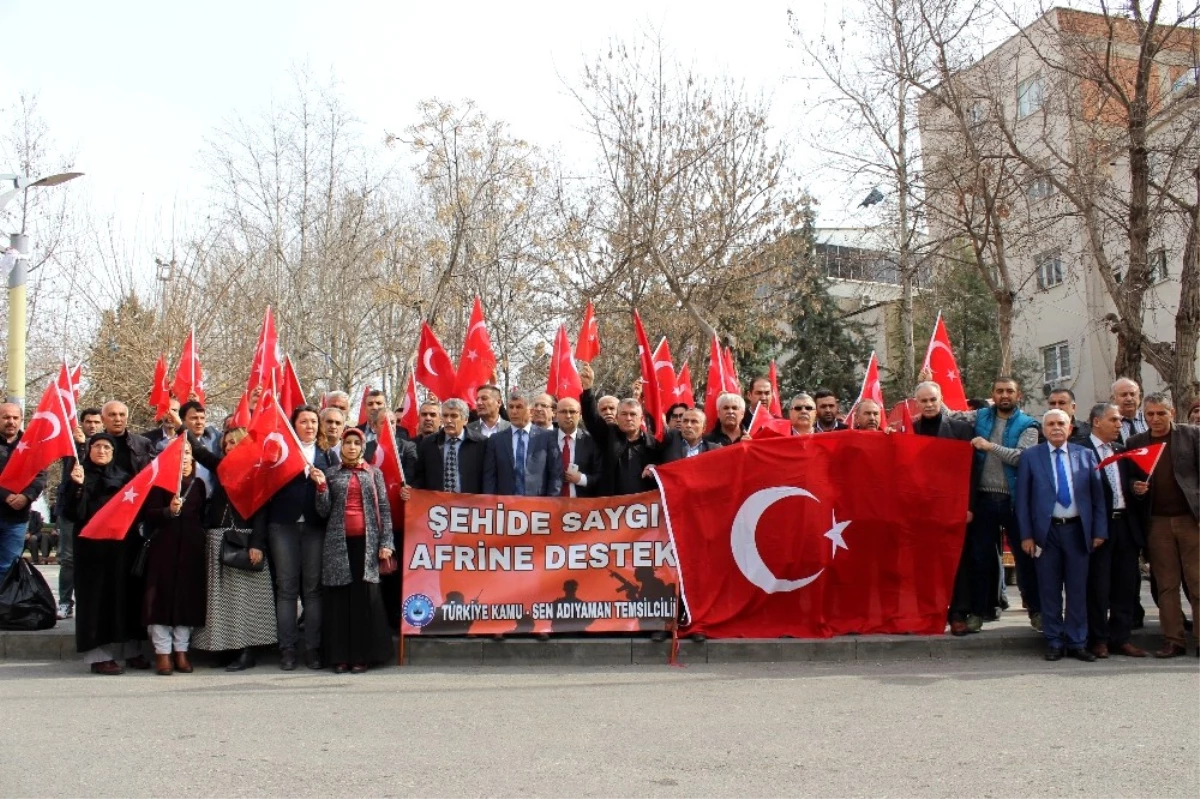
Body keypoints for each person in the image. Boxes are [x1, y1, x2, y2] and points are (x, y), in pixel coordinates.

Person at [1015, 409, 1106, 662]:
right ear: (1043, 430)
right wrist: (1026, 536)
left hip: (1078, 531)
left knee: (1078, 589)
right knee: (1049, 589)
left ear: (1070, 427)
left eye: (1061, 423)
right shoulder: (1031, 457)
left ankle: (1077, 641)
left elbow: (1098, 499)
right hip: (1046, 533)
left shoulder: (1085, 455)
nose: (1056, 428)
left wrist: (1099, 531)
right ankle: (1054, 640)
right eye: (1051, 424)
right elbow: (1022, 501)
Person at [956, 376, 1041, 632]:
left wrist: (990, 446)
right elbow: (948, 414)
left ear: (1019, 395)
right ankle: (979, 613)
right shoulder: (980, 416)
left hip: (1014, 501)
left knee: (1025, 559)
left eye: (1010, 391)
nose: (1005, 395)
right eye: (1000, 391)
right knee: (981, 559)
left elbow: (1023, 458)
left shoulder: (1029, 424)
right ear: (993, 394)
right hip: (983, 500)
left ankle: (1037, 611)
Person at [189, 427, 277, 671]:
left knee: (244, 601)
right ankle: (226, 649)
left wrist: (257, 544)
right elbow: (199, 452)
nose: (228, 447)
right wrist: (179, 425)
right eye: (226, 443)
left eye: (234, 443)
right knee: (222, 601)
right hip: (218, 537)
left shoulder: (255, 473)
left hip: (244, 539)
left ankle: (247, 651)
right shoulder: (222, 468)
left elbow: (261, 511)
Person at [253, 405, 330, 671]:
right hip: (282, 525)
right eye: (304, 421)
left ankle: (312, 648)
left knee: (312, 590)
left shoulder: (327, 456)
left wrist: (322, 484)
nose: (309, 426)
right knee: (286, 589)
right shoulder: (280, 453)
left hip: (314, 527)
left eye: (313, 422)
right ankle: (287, 649)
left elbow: (333, 497)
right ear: (293, 425)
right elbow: (264, 493)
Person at [64, 433, 148, 675]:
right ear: (89, 450)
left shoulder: (124, 478)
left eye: (107, 447)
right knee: (96, 601)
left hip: (122, 549)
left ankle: (131, 651)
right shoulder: (79, 477)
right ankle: (98, 656)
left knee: (125, 597)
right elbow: (72, 514)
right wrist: (76, 488)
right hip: (91, 551)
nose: (102, 451)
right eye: (97, 446)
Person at [316, 428, 395, 672]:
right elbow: (323, 511)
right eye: (347, 443)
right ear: (341, 446)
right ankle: (339, 657)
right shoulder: (331, 473)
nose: (351, 447)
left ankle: (362, 657)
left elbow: (384, 508)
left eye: (356, 443)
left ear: (362, 447)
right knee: (339, 601)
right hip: (338, 544)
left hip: (368, 545)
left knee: (364, 600)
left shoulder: (374, 474)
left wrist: (386, 543)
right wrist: (320, 489)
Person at [1127, 393, 1200, 658]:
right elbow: (1129, 480)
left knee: (1197, 582)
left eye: (1161, 413)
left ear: (1172, 412)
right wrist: (1136, 488)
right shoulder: (1135, 443)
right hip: (1156, 523)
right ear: (1144, 416)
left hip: (1190, 520)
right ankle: (1174, 640)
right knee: (1166, 585)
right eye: (1150, 414)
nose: (1155, 419)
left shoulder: (1192, 436)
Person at [911, 381, 977, 635]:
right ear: (916, 403)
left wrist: (969, 506)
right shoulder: (911, 429)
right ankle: (927, 612)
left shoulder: (961, 429)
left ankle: (958, 613)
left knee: (958, 561)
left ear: (940, 400)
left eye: (933, 400)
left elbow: (972, 470)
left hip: (953, 505)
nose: (929, 405)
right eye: (924, 401)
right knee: (925, 563)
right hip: (921, 508)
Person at [1083, 403, 1146, 658]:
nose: (1120, 424)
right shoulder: (1081, 450)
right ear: (1097, 422)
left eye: (1120, 420)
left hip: (1125, 527)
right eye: (1114, 420)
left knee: (1125, 584)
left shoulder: (1121, 450)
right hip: (1100, 527)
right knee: (1098, 585)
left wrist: (1135, 487)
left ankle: (1121, 637)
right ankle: (1099, 638)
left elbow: (1126, 482)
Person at [140, 441, 207, 676]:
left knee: (185, 601)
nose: (185, 458)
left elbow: (202, 515)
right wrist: (168, 511)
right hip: (163, 549)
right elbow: (147, 514)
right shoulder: (159, 484)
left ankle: (181, 651)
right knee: (160, 600)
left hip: (191, 550)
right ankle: (163, 653)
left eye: (188, 454)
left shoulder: (198, 485)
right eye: (180, 454)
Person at [579, 363, 659, 496]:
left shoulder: (652, 444)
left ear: (641, 418)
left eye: (633, 414)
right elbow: (592, 419)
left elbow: (663, 466)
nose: (628, 418)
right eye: (624, 414)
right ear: (617, 417)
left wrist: (654, 467)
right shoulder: (609, 435)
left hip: (642, 510)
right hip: (612, 507)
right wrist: (588, 390)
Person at [57, 407, 105, 619]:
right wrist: (80, 445)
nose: (92, 426)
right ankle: (65, 602)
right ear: (81, 424)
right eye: (88, 422)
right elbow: (72, 470)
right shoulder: (71, 447)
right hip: (71, 509)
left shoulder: (105, 446)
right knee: (68, 559)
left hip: (96, 511)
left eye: (96, 422)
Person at [0, 402, 47, 580]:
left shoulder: (32, 446)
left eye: (14, 418)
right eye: (5, 417)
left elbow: (40, 476)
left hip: (17, 519)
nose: (10, 421)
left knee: (9, 566)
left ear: (21, 420)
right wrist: (6, 496)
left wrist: (26, 496)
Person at [483, 390, 562, 496]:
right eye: (511, 407)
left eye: (519, 407)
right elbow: (489, 477)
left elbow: (556, 475)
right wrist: (490, 504)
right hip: (505, 506)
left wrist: (551, 504)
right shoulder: (496, 440)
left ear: (531, 411)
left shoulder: (547, 437)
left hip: (538, 506)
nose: (514, 412)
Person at [413, 399, 487, 493]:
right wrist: (411, 489)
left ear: (465, 420)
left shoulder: (480, 443)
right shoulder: (428, 443)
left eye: (454, 416)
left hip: (470, 504)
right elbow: (420, 476)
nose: (448, 420)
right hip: (437, 504)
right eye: (445, 415)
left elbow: (487, 477)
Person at [555, 398, 602, 498]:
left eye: (572, 412)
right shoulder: (545, 439)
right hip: (551, 506)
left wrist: (581, 479)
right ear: (556, 414)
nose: (568, 416)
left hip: (581, 508)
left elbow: (601, 475)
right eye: (563, 411)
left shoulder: (591, 441)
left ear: (580, 415)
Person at [1112, 378, 1146, 443]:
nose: (1129, 399)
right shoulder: (1107, 423)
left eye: (1132, 394)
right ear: (1114, 398)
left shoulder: (1149, 419)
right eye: (1124, 395)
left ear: (1139, 397)